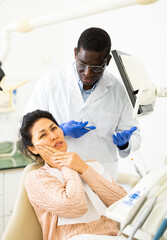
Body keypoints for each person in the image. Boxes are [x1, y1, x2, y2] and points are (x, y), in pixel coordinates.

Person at [24, 27, 141, 178]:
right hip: (59, 174)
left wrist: (124, 143)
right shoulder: (50, 82)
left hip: (101, 174)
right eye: (83, 64)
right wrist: (60, 130)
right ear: (75, 53)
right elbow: (27, 128)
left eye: (97, 67)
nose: (88, 73)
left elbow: (135, 137)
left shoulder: (120, 91)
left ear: (108, 61)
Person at [19, 109, 127, 240]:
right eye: (43, 135)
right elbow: (75, 206)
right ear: (33, 149)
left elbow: (124, 205)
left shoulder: (92, 166)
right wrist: (65, 164)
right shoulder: (37, 178)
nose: (53, 136)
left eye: (54, 128)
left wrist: (83, 168)